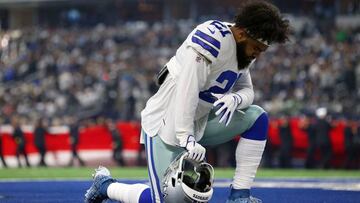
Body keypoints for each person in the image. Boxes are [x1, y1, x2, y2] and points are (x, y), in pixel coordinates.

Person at [85, 1, 290, 203]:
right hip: (168, 124)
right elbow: (187, 90)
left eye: (262, 50)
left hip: (199, 121)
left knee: (257, 117)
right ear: (243, 33)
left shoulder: (243, 46)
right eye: (257, 48)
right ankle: (104, 186)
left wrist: (236, 98)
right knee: (164, 200)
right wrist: (186, 138)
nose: (257, 54)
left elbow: (247, 91)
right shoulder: (212, 39)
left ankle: (239, 196)